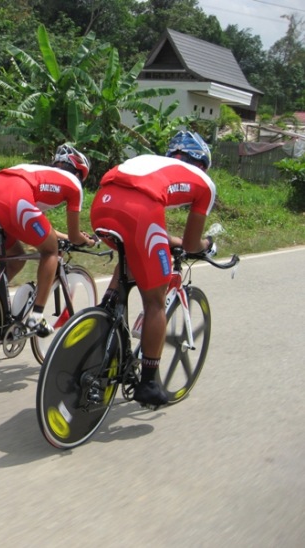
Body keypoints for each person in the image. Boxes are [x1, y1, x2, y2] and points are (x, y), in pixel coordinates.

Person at [90, 130, 217, 406]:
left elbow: (153, 229)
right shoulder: (204, 183)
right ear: (203, 164)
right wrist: (206, 243)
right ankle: (148, 382)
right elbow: (193, 243)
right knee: (155, 301)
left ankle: (104, 314)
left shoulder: (153, 164)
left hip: (102, 204)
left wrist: (170, 241)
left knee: (131, 257)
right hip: (139, 212)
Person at [0, 144, 97, 336]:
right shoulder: (74, 183)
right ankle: (36, 317)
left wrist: (61, 237)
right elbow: (75, 236)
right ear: (80, 172)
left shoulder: (40, 172)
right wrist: (87, 241)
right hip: (16, 200)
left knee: (15, 258)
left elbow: (39, 225)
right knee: (51, 251)